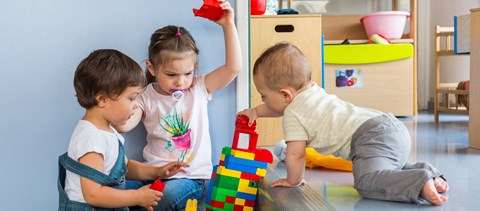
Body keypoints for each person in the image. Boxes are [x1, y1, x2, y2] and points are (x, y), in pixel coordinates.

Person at [237, 42, 449, 205]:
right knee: (388, 168)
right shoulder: (311, 92)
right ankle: (428, 172)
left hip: (369, 139)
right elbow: (277, 106)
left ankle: (420, 181)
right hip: (389, 127)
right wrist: (255, 112)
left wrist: (293, 180)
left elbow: (296, 154)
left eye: (263, 96)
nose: (263, 101)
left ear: (284, 94)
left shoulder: (293, 114)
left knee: (366, 182)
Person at [113, 0, 242, 210]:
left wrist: (228, 25)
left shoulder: (199, 88)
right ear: (152, 68)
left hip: (191, 177)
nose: (181, 82)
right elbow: (124, 125)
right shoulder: (145, 95)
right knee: (115, 191)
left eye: (188, 73)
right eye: (171, 75)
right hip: (152, 173)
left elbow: (233, 68)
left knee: (164, 198)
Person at [58, 49, 189, 211]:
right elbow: (93, 194)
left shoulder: (107, 130)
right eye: (132, 98)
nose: (135, 105)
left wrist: (157, 171)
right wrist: (137, 197)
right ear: (102, 99)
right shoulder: (91, 138)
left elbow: (124, 167)